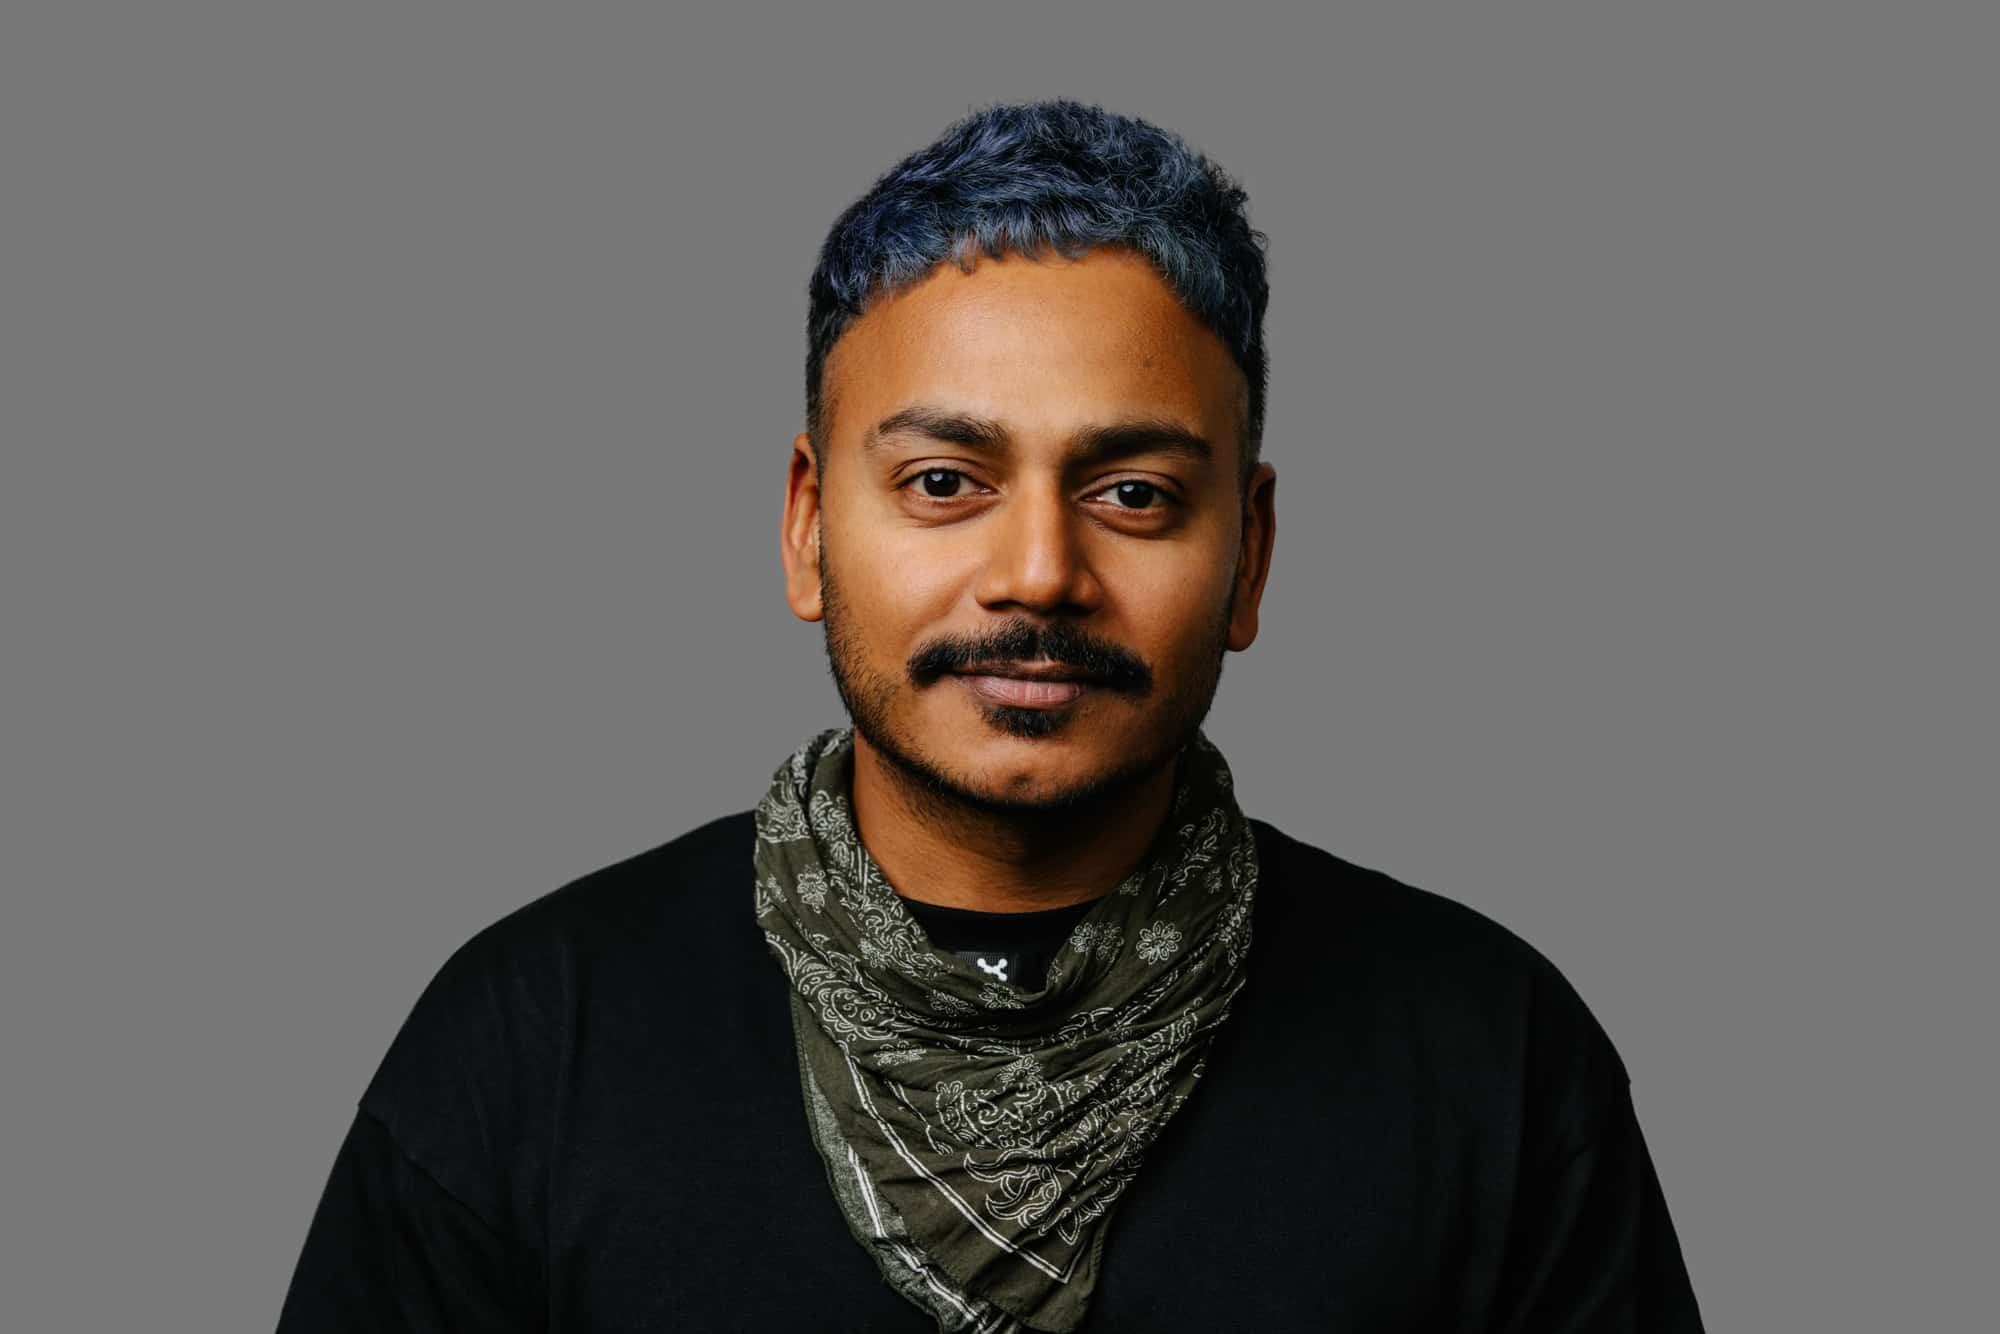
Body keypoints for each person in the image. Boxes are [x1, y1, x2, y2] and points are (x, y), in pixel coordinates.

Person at [277, 99, 1704, 1332]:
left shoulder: (1492, 1060)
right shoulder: (527, 1044)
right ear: (807, 526)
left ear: (1250, 553)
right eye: (944, 483)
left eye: (1133, 493)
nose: (1038, 572)